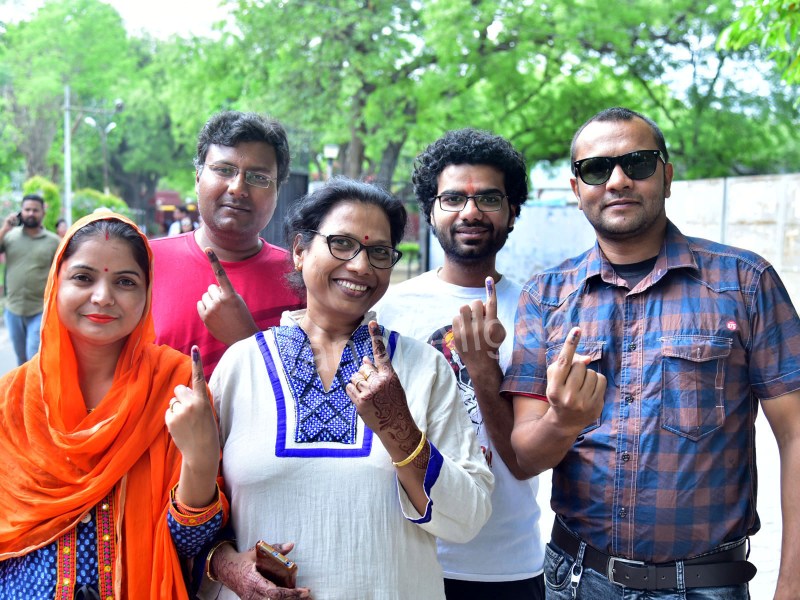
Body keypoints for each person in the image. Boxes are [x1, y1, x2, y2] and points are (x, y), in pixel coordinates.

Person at [502, 106, 800, 599]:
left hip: (705, 585)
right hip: (578, 581)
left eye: (637, 163)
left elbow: (795, 434)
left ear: (667, 176)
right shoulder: (546, 297)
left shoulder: (745, 283)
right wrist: (563, 421)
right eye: (596, 169)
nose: (617, 180)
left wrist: (792, 584)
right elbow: (524, 456)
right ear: (576, 190)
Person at [201, 178, 493, 599]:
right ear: (300, 251)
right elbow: (191, 511)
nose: (360, 266)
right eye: (341, 243)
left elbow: (469, 518)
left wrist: (398, 429)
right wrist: (227, 566)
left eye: (379, 252)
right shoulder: (240, 366)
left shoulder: (423, 367)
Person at [0, 213, 227, 599]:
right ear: (56, 283)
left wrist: (201, 459)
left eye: (125, 282)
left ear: (148, 293)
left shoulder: (175, 389)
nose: (103, 297)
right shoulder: (13, 399)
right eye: (83, 278)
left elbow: (192, 544)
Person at [375, 128, 545, 599]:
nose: (470, 212)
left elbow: (526, 458)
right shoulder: (388, 310)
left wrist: (485, 367)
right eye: (452, 198)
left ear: (513, 211)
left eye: (488, 198)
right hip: (405, 556)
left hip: (504, 565)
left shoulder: (538, 311)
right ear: (431, 211)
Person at [151, 111, 304, 378]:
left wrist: (247, 339)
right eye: (224, 170)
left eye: (258, 177)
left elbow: (312, 392)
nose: (237, 188)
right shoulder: (145, 264)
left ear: (277, 191)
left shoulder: (301, 279)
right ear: (197, 178)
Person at [0, 193, 61, 365]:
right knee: (21, 358)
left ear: (43, 213)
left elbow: (60, 273)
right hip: (13, 309)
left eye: (35, 210)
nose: (31, 213)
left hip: (39, 310)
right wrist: (4, 229)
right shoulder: (10, 237)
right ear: (21, 211)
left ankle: (34, 383)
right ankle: (24, 383)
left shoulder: (53, 242)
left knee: (33, 356)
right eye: (27, 210)